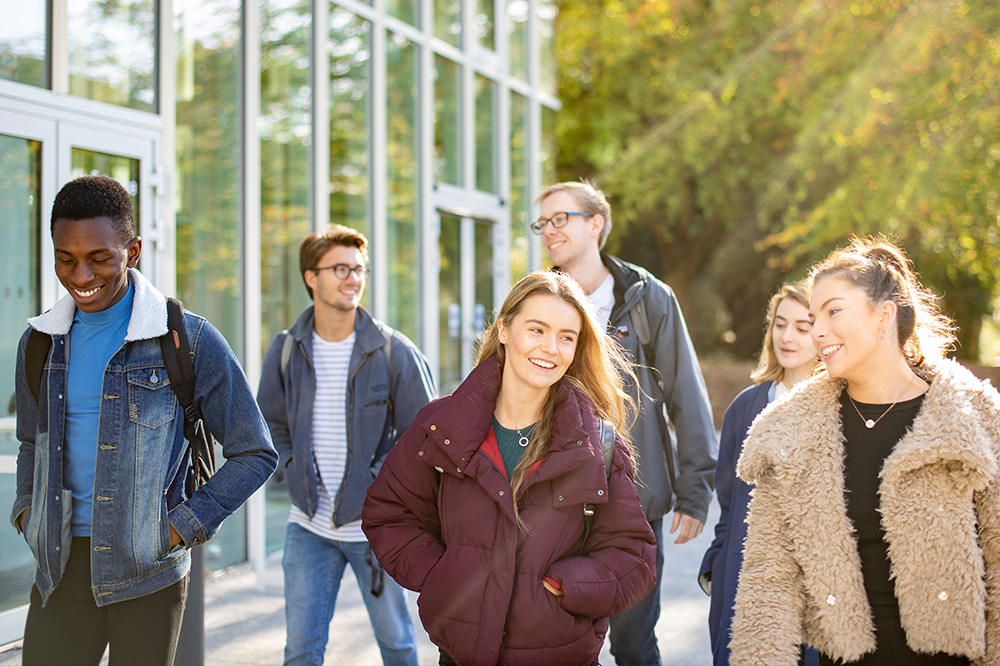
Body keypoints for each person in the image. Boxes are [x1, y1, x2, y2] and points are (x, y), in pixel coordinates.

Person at [10, 175, 278, 665]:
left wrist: (179, 527)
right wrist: (28, 511)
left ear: (132, 250)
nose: (81, 274)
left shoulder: (187, 340)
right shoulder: (39, 343)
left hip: (147, 574)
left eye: (99, 258)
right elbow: (31, 441)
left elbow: (255, 452)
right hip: (60, 570)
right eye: (65, 258)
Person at [362, 270, 657, 666]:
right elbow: (389, 513)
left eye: (566, 337)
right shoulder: (441, 426)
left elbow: (634, 556)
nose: (550, 348)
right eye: (537, 329)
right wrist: (445, 575)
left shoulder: (596, 444)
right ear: (503, 329)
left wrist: (566, 586)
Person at [729, 237, 1000, 665]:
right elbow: (768, 582)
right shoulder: (791, 431)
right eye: (814, 317)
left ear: (884, 316)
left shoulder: (974, 416)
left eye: (833, 311)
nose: (817, 331)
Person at [534, 180, 717, 666]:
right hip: (557, 501)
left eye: (560, 219)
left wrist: (695, 489)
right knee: (565, 643)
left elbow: (685, 393)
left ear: (595, 224)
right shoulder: (538, 300)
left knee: (634, 645)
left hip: (634, 502)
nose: (548, 231)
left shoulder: (649, 298)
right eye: (542, 223)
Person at [257, 224, 436, 666]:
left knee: (397, 645)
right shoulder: (286, 349)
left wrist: (380, 486)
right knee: (300, 651)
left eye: (359, 269)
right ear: (310, 277)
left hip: (377, 529)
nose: (353, 278)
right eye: (340, 268)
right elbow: (268, 422)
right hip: (308, 527)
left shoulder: (394, 351)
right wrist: (291, 466)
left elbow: (425, 437)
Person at [697, 282, 819, 666]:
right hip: (747, 578)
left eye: (802, 327)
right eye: (780, 324)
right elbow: (729, 505)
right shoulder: (745, 407)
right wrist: (718, 567)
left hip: (815, 585)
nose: (787, 336)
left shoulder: (840, 407)